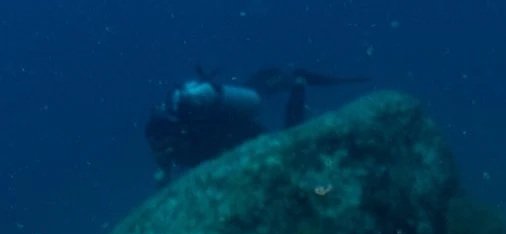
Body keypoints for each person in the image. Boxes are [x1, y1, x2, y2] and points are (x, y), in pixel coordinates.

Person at [145, 67, 367, 180]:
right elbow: (165, 177)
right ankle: (284, 80)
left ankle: (299, 83)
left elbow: (221, 138)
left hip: (240, 134)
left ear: (175, 132)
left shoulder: (191, 128)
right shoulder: (169, 148)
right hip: (231, 140)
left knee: (289, 142)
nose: (165, 151)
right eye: (159, 147)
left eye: (166, 144)